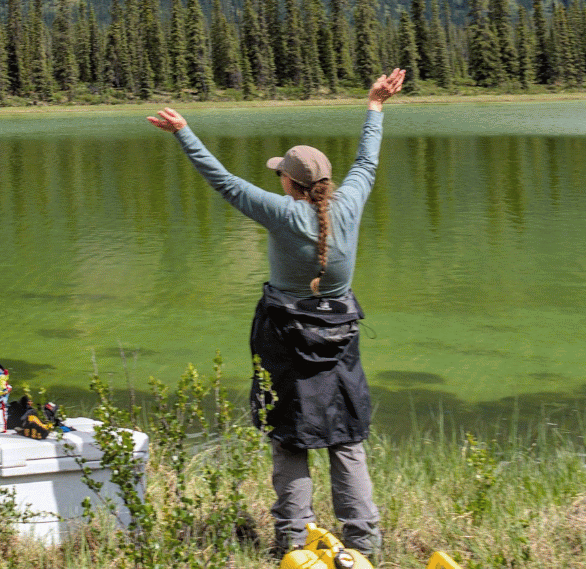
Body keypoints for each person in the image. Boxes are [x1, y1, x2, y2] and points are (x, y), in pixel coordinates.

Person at [147, 69, 405, 560]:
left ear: (289, 182)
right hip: (340, 337)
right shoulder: (349, 202)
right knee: (346, 439)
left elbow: (223, 181)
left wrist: (184, 132)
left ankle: (291, 543)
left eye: (280, 175)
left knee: (290, 438)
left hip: (286, 337)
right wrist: (374, 105)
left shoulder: (282, 212)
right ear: (326, 183)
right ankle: (364, 545)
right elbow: (367, 161)